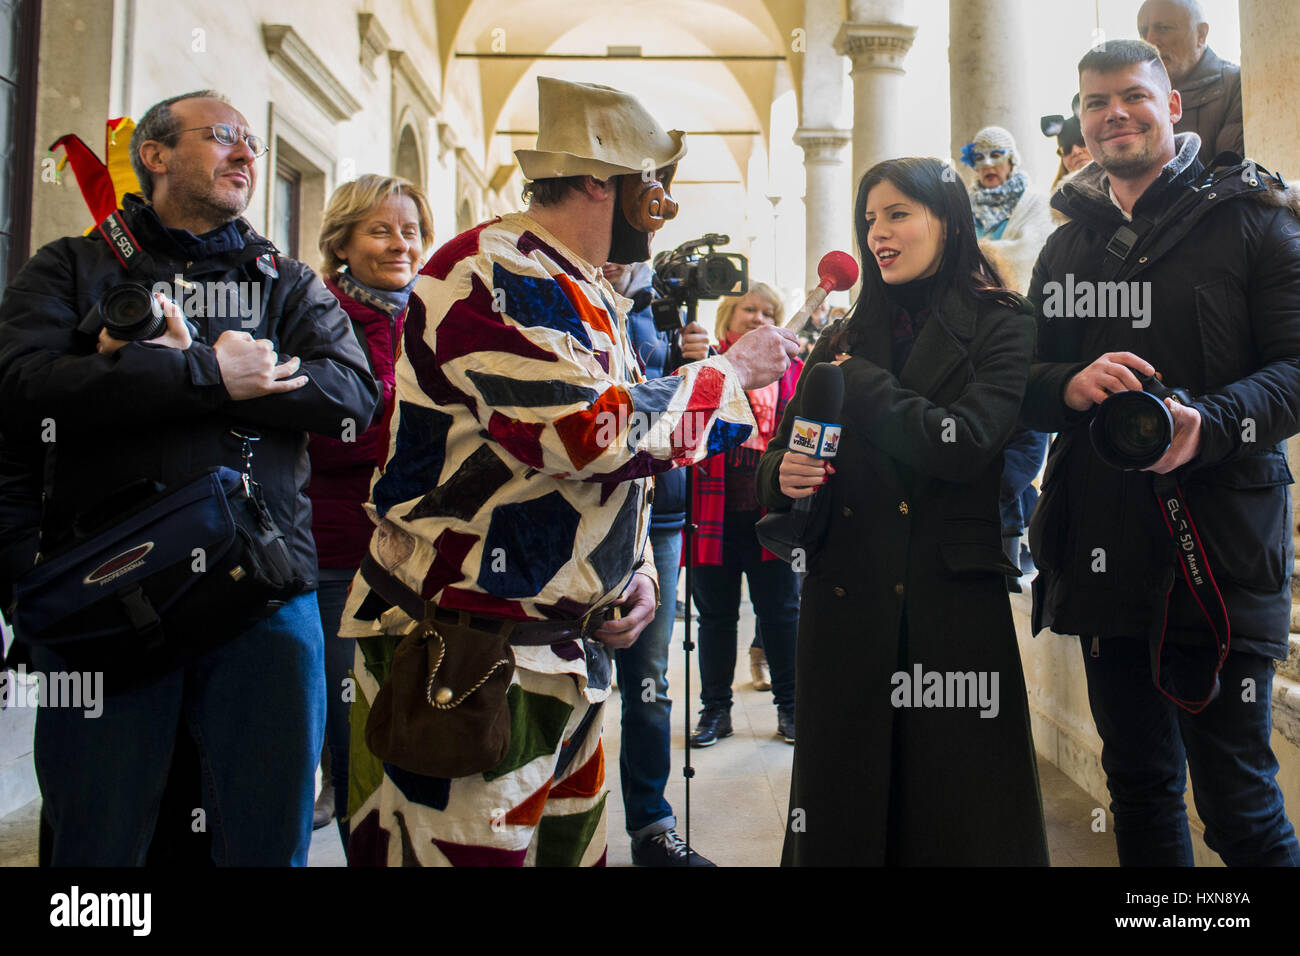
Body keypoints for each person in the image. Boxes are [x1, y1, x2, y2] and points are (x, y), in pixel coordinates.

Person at [337, 76, 799, 867]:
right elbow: (587, 432)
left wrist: (632, 576)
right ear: (599, 181)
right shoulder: (492, 271)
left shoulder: (579, 285)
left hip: (562, 654)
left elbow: (607, 466)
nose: (663, 205)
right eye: (653, 184)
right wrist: (728, 372)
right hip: (462, 654)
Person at [0, 90, 382, 865]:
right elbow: (20, 388)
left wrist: (229, 370)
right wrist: (209, 373)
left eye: (251, 142)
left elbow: (353, 396)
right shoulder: (70, 267)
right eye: (224, 138)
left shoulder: (288, 281)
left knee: (263, 834)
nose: (247, 155)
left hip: (263, 601)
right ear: (156, 154)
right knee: (97, 842)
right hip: (106, 595)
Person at [1023, 39, 1300, 866]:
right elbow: (1020, 384)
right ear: (1081, 121)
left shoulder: (1254, 220)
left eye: (1134, 96)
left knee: (1240, 804)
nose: (1116, 114)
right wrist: (1069, 384)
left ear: (1172, 105)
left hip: (1223, 553)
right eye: (1096, 102)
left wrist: (1208, 424)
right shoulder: (1066, 248)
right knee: (1137, 788)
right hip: (1104, 551)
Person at [758, 157, 1048, 866]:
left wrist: (860, 385)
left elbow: (968, 444)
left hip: (948, 603)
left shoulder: (1002, 326)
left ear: (946, 220)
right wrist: (783, 477)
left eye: (897, 214)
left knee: (959, 812)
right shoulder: (841, 337)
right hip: (846, 602)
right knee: (843, 813)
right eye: (869, 219)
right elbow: (779, 457)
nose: (877, 233)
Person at [306, 174, 434, 848]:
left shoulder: (434, 313)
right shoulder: (317, 313)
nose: (400, 244)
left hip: (425, 551)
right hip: (339, 547)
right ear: (343, 242)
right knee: (347, 714)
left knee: (413, 708)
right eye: (380, 229)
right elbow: (324, 435)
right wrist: (421, 433)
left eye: (410, 230)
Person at [602, 257, 715, 865]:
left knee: (648, 683)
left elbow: (676, 420)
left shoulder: (655, 309)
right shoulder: (561, 291)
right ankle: (555, 811)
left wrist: (693, 363)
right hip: (575, 519)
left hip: (659, 521)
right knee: (566, 675)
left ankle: (651, 827)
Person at [689, 283, 803, 748]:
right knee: (714, 617)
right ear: (728, 320)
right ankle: (716, 710)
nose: (758, 318)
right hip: (712, 511)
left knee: (781, 613)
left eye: (767, 312)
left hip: (771, 511)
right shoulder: (703, 367)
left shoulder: (793, 369)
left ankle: (792, 708)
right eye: (748, 311)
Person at [962, 126, 1053, 589]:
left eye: (997, 155)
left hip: (1001, 494)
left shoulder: (1033, 202)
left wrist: (1002, 481)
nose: (988, 166)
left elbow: (1030, 251)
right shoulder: (964, 206)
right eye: (979, 159)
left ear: (1012, 159)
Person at [1138, 0, 1243, 168]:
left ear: (1201, 34)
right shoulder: (1136, 96)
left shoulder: (1237, 86)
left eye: (1163, 28)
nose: (1150, 41)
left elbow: (1231, 177)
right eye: (1143, 32)